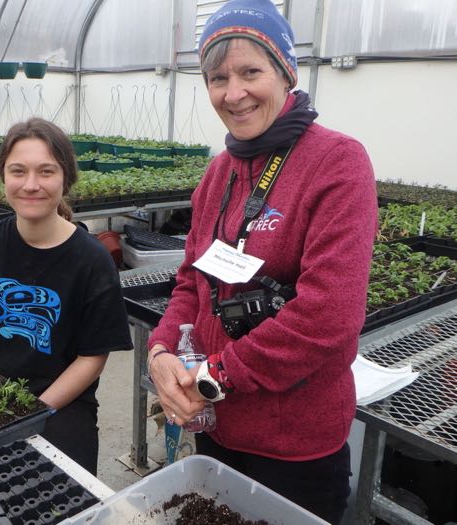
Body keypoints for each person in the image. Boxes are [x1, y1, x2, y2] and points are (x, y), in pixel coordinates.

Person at [146, 0, 377, 522]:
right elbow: (191, 283)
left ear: (286, 72)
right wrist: (161, 353)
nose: (234, 93)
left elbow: (329, 314)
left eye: (251, 71)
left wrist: (217, 373)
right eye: (217, 77)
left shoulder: (337, 162)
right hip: (217, 427)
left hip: (294, 444)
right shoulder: (218, 173)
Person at [0, 117, 133, 474]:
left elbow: (91, 358)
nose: (31, 185)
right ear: (3, 176)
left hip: (59, 404)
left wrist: (29, 413)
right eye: (18, 171)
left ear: (66, 178)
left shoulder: (92, 261)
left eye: (46, 172)